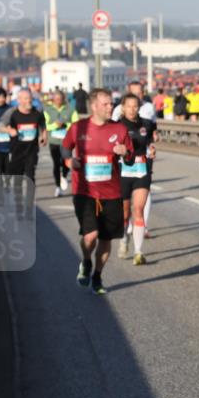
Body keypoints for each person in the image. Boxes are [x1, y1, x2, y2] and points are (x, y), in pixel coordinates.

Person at [61, 88, 135, 294]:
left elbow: (130, 158)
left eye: (111, 103)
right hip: (84, 191)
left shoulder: (119, 130)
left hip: (111, 193)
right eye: (106, 104)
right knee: (90, 236)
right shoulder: (79, 128)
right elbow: (65, 147)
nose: (110, 107)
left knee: (105, 239)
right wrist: (69, 160)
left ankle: (97, 276)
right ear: (94, 106)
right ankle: (86, 261)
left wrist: (125, 152)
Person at [115, 93, 157, 265]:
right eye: (128, 106)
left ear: (139, 107)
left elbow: (149, 143)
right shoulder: (116, 126)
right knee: (124, 214)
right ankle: (124, 239)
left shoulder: (145, 124)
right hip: (123, 172)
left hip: (141, 170)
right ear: (123, 108)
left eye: (135, 106)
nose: (132, 109)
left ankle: (138, 252)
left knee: (138, 210)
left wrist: (152, 149)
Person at [0, 88, 46, 216]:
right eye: (25, 98)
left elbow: (43, 125)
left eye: (30, 98)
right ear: (19, 100)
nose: (29, 100)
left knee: (30, 178)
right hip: (16, 152)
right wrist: (9, 131)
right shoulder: (12, 113)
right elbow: (1, 126)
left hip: (31, 152)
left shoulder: (37, 113)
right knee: (18, 181)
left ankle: (29, 208)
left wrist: (43, 136)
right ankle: (19, 206)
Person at [45, 90, 79, 196]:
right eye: (56, 99)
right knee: (56, 163)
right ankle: (57, 186)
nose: (58, 101)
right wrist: (55, 125)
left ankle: (63, 175)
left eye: (60, 99)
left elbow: (76, 123)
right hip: (54, 142)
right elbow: (45, 125)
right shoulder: (48, 110)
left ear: (63, 99)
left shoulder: (71, 109)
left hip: (67, 142)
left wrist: (65, 125)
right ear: (53, 99)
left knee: (66, 163)